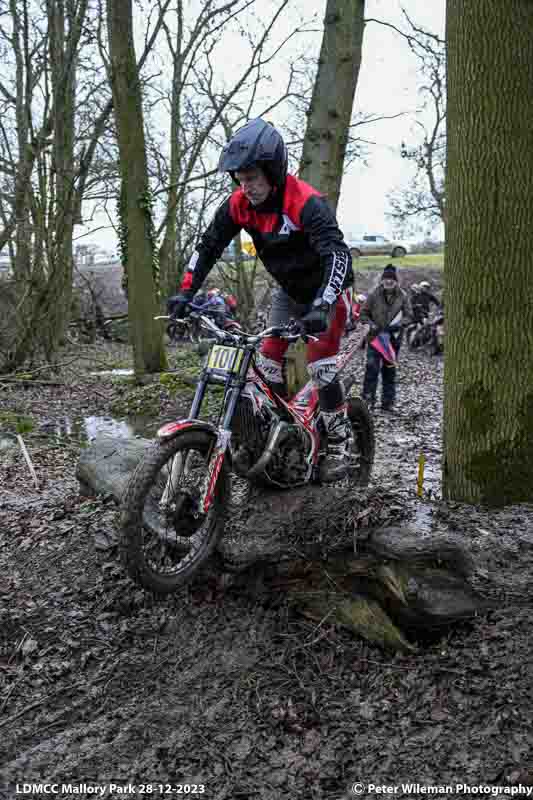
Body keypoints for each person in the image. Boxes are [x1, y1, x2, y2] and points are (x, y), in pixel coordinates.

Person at [170, 117, 354, 466]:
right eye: (240, 179)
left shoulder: (306, 202)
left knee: (322, 368)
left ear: (273, 171)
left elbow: (337, 254)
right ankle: (282, 439)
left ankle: (339, 443)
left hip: (327, 293)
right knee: (267, 367)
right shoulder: (238, 205)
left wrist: (324, 303)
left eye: (252, 178)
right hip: (289, 291)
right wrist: (185, 292)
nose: (246, 187)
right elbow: (207, 247)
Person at [360, 264, 412, 412]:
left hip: (393, 340)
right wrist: (371, 324)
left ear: (396, 281)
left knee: (389, 371)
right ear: (382, 281)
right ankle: (368, 400)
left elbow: (409, 316)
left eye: (392, 279)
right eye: (386, 279)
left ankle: (388, 403)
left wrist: (399, 324)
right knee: (371, 369)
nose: (389, 281)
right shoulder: (373, 295)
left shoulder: (403, 296)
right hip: (374, 339)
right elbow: (363, 314)